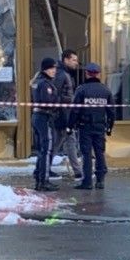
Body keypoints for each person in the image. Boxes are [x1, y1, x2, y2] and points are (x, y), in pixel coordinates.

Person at [70, 61, 115, 188]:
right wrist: (110, 127)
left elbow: (75, 110)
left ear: (86, 74)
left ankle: (87, 182)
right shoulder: (106, 90)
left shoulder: (81, 90)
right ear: (99, 74)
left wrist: (70, 125)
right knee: (99, 153)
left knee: (86, 154)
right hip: (100, 126)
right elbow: (111, 111)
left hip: (85, 126)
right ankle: (100, 180)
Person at [31, 54, 63, 190]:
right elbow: (47, 102)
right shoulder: (45, 84)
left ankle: (40, 177)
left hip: (39, 117)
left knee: (42, 150)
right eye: (51, 68)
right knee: (46, 149)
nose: (54, 71)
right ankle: (43, 181)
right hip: (44, 117)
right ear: (45, 69)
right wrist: (57, 103)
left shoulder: (39, 81)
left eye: (54, 68)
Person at [52, 48, 83, 182]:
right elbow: (56, 95)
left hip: (65, 113)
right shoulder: (61, 74)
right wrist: (70, 101)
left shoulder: (65, 73)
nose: (76, 63)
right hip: (63, 114)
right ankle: (78, 172)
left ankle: (77, 171)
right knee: (65, 141)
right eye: (74, 60)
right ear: (66, 59)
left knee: (63, 141)